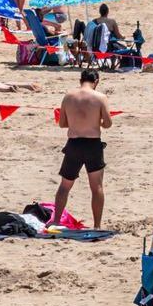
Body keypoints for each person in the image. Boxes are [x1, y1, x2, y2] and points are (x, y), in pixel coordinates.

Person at [51, 68, 110, 228]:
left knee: (65, 185)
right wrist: (96, 121)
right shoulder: (100, 97)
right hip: (92, 144)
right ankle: (97, 225)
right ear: (96, 81)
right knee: (96, 187)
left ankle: (56, 222)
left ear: (80, 80)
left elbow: (62, 123)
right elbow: (108, 123)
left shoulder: (68, 97)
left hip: (74, 144)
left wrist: (77, 122)